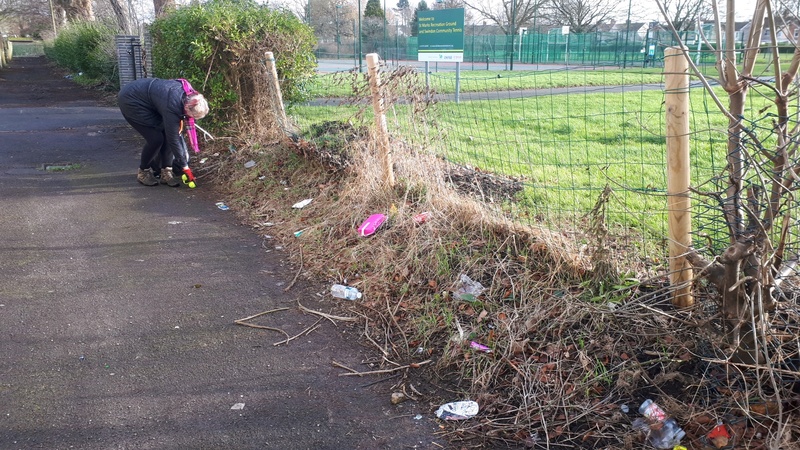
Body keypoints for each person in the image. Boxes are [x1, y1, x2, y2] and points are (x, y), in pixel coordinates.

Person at [118, 78, 209, 187]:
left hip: (150, 100)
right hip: (131, 100)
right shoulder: (172, 105)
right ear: (187, 107)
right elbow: (174, 139)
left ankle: (166, 172)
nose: (189, 118)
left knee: (167, 133)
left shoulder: (189, 95)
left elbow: (171, 136)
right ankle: (143, 172)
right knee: (156, 139)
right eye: (190, 116)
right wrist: (185, 167)